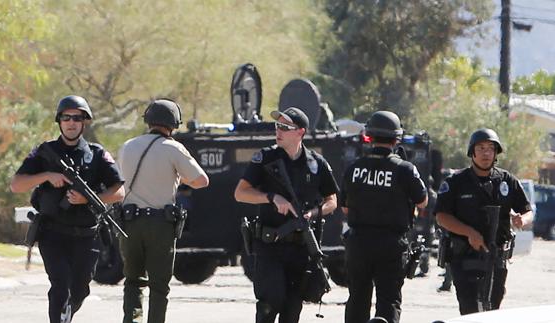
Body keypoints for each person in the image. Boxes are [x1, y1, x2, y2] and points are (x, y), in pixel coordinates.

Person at [10, 95, 125, 323]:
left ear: (84, 122)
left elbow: (119, 191)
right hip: (53, 233)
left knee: (80, 290)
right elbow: (16, 184)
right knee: (60, 285)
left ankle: (66, 315)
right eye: (66, 117)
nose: (71, 122)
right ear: (59, 121)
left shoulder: (97, 154)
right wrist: (47, 175)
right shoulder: (45, 152)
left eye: (77, 118)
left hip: (86, 236)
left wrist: (88, 199)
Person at [234, 107, 339, 323]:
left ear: (300, 132)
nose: (278, 131)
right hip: (270, 245)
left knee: (292, 310)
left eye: (285, 127)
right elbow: (240, 193)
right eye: (277, 126)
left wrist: (314, 213)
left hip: (300, 249)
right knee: (269, 303)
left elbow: (332, 201)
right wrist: (271, 197)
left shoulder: (316, 164)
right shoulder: (265, 158)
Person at [117, 99, 209, 323]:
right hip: (159, 225)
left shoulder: (127, 146)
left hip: (128, 222)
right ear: (174, 124)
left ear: (148, 121)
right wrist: (179, 175)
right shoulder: (173, 148)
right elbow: (201, 181)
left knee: (133, 282)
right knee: (159, 286)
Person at [340, 111, 428, 323]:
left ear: (368, 136)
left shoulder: (354, 168)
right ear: (396, 138)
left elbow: (344, 208)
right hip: (391, 244)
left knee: (358, 297)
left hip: (359, 243)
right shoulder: (405, 169)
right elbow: (423, 202)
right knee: (388, 300)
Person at [434, 128, 533, 315]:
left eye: (490, 148)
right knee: (470, 309)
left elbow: (527, 211)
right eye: (481, 148)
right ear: (472, 152)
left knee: (493, 310)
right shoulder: (456, 181)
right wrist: (469, 233)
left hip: (496, 258)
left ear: (496, 153)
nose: (486, 153)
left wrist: (522, 219)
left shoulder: (506, 180)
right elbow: (441, 216)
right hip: (465, 257)